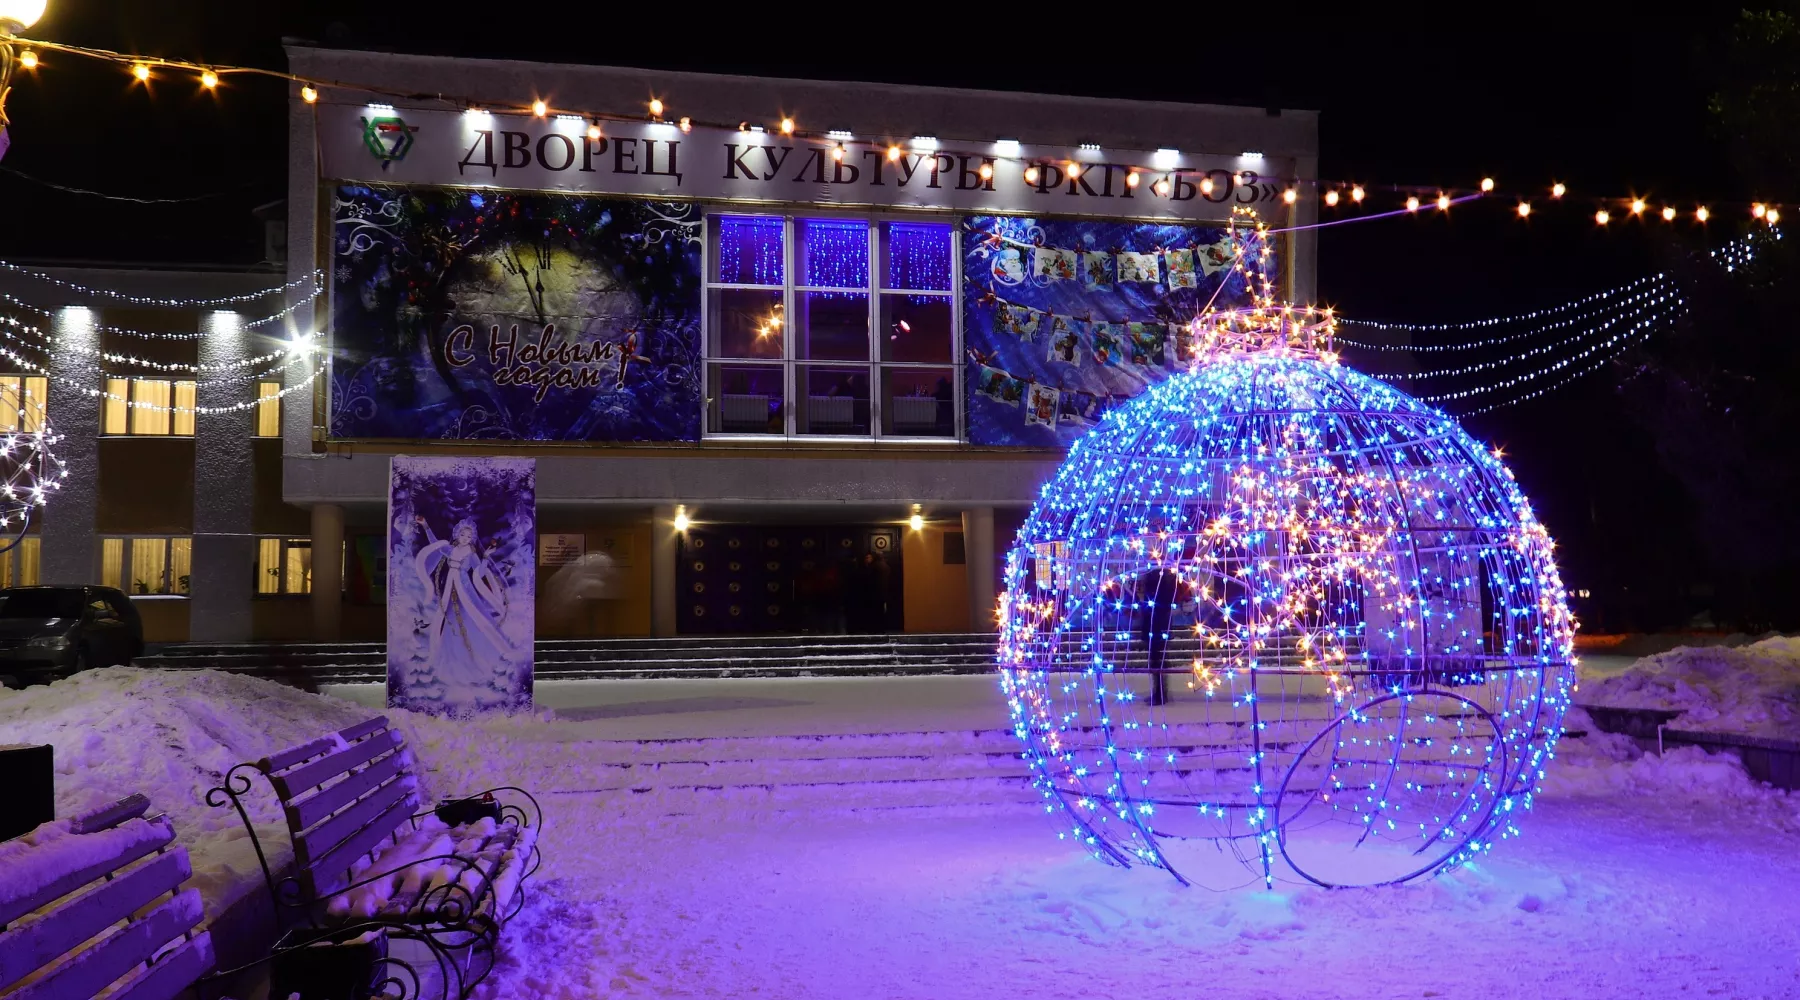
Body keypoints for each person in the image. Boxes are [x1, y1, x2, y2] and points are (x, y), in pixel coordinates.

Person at [413, 515, 516, 692]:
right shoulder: (449, 549)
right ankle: (453, 662)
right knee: (450, 622)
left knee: (471, 619)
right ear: (456, 535)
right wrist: (425, 525)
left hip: (464, 590)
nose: (465, 539)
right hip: (449, 590)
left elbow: (480, 572)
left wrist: (485, 557)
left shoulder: (471, 553)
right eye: (463, 535)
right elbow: (434, 544)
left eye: (469, 537)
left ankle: (476, 661)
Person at [1134, 539, 1196, 706]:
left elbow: (1161, 599)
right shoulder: (1159, 575)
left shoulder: (1161, 576)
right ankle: (1159, 692)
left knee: (1157, 659)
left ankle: (1160, 694)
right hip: (1156, 623)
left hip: (1157, 623)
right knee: (1157, 659)